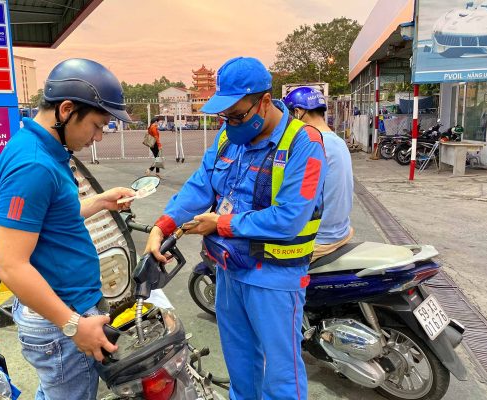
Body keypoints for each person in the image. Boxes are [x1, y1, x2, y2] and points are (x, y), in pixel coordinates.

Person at [145, 57, 327, 399]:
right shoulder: (228, 138)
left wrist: (221, 223)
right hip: (229, 271)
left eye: (238, 116)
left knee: (281, 375)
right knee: (241, 368)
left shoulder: (304, 144)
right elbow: (200, 185)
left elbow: (290, 217)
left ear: (265, 101)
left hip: (274, 277)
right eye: (224, 117)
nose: (230, 124)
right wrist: (163, 225)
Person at [0, 58, 135, 400]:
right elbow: (10, 264)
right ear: (67, 110)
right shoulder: (34, 165)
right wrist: (73, 325)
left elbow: (51, 217)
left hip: (64, 311)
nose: (98, 137)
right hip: (61, 321)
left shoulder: (40, 148)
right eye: (97, 125)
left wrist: (100, 201)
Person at [284, 87, 354, 262]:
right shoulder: (337, 141)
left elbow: (299, 196)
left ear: (298, 112)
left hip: (319, 239)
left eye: (289, 117)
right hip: (340, 230)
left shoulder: (313, 144)